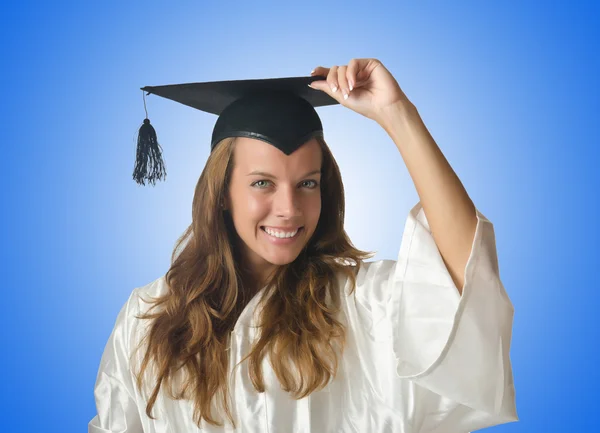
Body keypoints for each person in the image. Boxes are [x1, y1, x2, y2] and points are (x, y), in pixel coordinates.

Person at [89, 58, 518, 432]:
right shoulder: (149, 318)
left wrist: (397, 115)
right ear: (221, 192)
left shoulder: (363, 305)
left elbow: (465, 280)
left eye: (307, 184)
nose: (289, 208)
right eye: (262, 183)